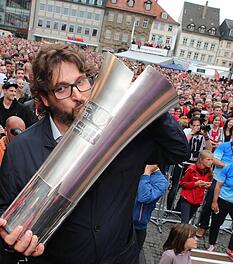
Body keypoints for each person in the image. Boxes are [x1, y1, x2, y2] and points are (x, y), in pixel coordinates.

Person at [0, 44, 190, 264]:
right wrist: (9, 240)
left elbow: (179, 151)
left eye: (81, 82)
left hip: (121, 258)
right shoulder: (21, 149)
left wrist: (143, 101)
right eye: (62, 88)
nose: (79, 96)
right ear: (44, 98)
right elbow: (6, 207)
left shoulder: (125, 133)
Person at [196, 130, 233, 237]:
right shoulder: (224, 146)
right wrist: (228, 167)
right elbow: (214, 160)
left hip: (232, 183)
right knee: (209, 204)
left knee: (222, 207)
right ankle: (203, 226)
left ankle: (214, 230)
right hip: (218, 179)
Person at [133, 165, 169, 251]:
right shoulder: (135, 170)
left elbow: (144, 197)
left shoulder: (161, 181)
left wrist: (147, 173)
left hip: (137, 226)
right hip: (121, 221)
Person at [179, 150, 213, 224]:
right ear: (201, 160)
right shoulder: (192, 169)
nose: (211, 162)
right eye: (208, 159)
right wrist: (195, 184)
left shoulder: (209, 172)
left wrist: (207, 186)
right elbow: (182, 183)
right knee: (184, 223)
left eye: (212, 160)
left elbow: (207, 186)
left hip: (197, 201)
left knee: (186, 222)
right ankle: (179, 234)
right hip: (186, 198)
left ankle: (180, 234)